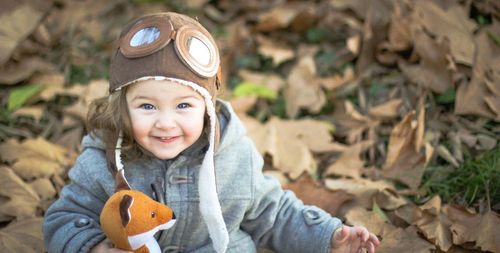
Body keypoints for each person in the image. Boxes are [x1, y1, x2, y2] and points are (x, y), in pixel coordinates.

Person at [43, 12, 380, 253]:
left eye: (183, 106)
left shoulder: (234, 156)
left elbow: (274, 214)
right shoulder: (102, 160)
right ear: (122, 106)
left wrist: (327, 237)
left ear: (208, 107)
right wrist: (94, 247)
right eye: (147, 106)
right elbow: (65, 218)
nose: (165, 122)